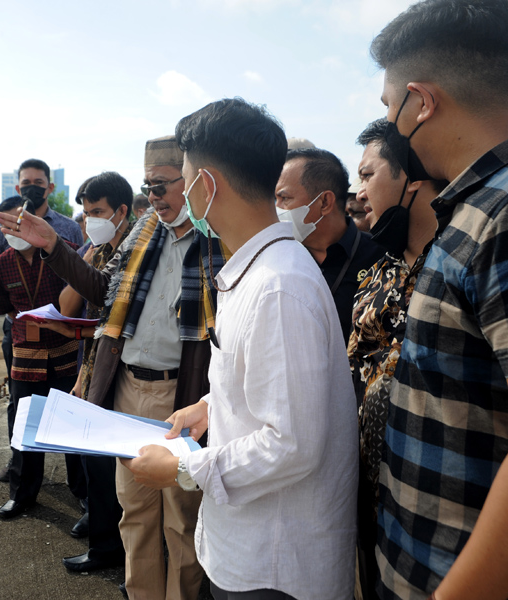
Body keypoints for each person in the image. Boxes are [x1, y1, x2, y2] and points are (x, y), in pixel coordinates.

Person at [122, 97, 358, 600]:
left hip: (273, 564)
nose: (185, 197)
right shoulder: (263, 269)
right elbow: (276, 387)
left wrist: (183, 469)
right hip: (252, 546)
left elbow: (292, 443)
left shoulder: (278, 287)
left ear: (206, 186)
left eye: (186, 182)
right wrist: (211, 406)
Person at [0, 135, 229, 600]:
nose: (155, 196)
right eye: (148, 186)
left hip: (181, 398)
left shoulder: (218, 239)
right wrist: (53, 248)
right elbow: (105, 291)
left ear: (193, 182)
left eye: (162, 185)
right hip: (127, 390)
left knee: (182, 520)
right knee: (135, 513)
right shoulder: (144, 232)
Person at [370, 1, 508, 598]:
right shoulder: (471, 209)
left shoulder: (498, 216)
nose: (390, 125)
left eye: (389, 107)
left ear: (420, 102)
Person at [346, 117, 446, 600]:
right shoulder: (379, 268)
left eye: (368, 175)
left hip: (433, 503)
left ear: (411, 176)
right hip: (368, 494)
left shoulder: (456, 266)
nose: (359, 192)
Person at [37, 172, 133, 573]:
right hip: (93, 364)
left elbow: (116, 318)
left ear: (122, 211)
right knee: (95, 460)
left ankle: (110, 547)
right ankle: (102, 535)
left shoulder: (134, 251)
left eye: (98, 211)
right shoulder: (99, 249)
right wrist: (85, 257)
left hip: (120, 371)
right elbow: (70, 306)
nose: (90, 219)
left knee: (110, 465)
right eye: (86, 213)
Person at [0, 161, 83, 483]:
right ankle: (22, 485)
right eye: (26, 181)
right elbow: (4, 298)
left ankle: (81, 489)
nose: (32, 187)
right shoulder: (1, 248)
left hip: (65, 343)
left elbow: (82, 280)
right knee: (23, 412)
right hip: (23, 346)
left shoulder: (67, 234)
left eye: (38, 181)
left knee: (71, 414)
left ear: (49, 186)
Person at [276, 149, 385, 340]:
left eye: (284, 198)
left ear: (325, 202)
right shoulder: (277, 258)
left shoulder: (382, 258)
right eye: (274, 199)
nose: (276, 208)